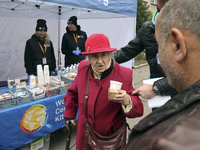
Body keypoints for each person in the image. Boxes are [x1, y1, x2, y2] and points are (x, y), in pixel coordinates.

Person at [125, 0, 200, 149]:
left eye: (160, 44)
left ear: (177, 45)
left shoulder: (154, 141)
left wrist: (155, 88)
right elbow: (128, 51)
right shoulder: (148, 29)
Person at [64, 33, 144, 149]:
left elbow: (139, 109)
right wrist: (69, 115)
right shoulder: (83, 68)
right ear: (88, 58)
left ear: (110, 55)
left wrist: (127, 101)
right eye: (95, 56)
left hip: (109, 140)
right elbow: (72, 92)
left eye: (103, 55)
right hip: (84, 134)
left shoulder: (123, 74)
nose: (100, 61)